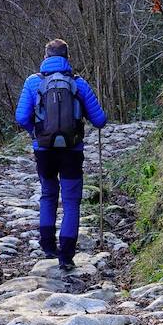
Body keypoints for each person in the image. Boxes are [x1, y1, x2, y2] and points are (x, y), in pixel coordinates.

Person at [15, 38, 107, 270]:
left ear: (45, 57)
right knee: (71, 201)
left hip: (44, 150)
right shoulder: (78, 83)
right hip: (72, 150)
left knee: (48, 194)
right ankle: (66, 255)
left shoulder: (33, 82)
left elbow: (21, 117)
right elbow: (100, 120)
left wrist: (35, 134)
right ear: (67, 58)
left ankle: (47, 246)